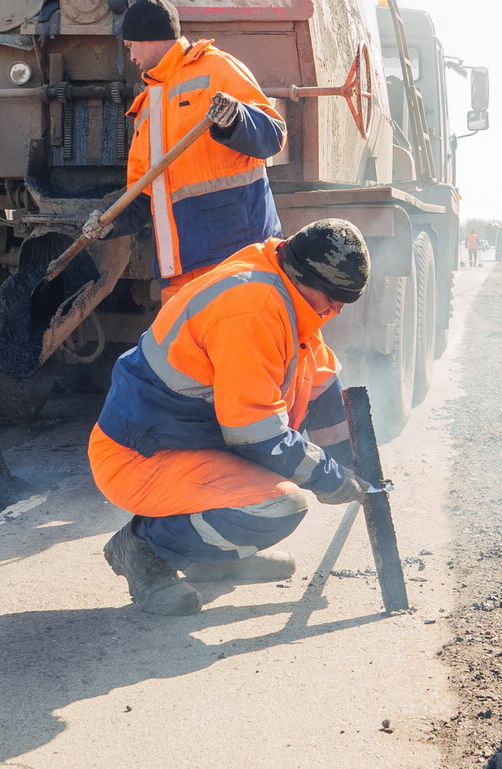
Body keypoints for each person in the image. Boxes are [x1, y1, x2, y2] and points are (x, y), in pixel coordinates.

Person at [88, 219, 371, 615]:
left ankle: (216, 557)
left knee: (278, 492)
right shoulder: (253, 307)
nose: (337, 309)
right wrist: (330, 478)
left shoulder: (287, 290)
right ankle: (142, 546)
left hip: (189, 445)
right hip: (140, 458)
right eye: (333, 297)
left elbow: (320, 382)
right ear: (303, 276)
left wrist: (350, 463)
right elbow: (256, 434)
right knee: (277, 507)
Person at [85, 0, 286, 304]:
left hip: (237, 258)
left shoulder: (216, 67)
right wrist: (110, 219)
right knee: (180, 353)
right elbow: (142, 193)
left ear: (149, 39)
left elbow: (273, 135)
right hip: (177, 270)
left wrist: (236, 120)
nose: (131, 56)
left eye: (131, 46)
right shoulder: (147, 105)